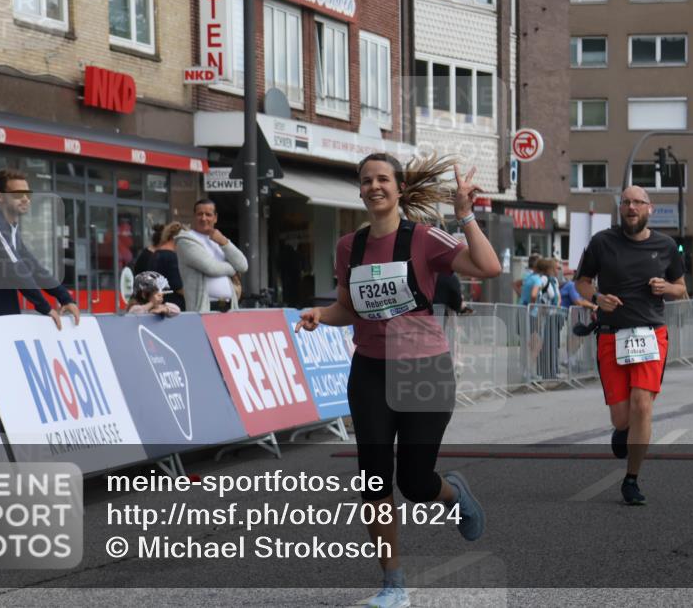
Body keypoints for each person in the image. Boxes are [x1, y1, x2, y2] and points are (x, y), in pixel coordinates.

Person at [294, 152, 501, 608]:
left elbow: (488, 268)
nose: (373, 187)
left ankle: (452, 493)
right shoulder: (350, 246)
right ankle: (393, 586)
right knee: (373, 480)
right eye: (366, 181)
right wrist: (319, 315)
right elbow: (346, 308)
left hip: (422, 368)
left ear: (399, 188)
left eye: (382, 179)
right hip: (368, 368)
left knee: (415, 481)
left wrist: (465, 215)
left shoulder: (424, 239)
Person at [575, 186, 687, 506]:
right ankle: (623, 431)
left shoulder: (666, 246)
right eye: (626, 202)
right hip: (612, 334)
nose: (631, 207)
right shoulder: (601, 242)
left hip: (651, 335)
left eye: (638, 202)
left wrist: (667, 287)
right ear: (620, 208)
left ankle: (631, 480)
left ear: (649, 208)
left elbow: (681, 288)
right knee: (621, 418)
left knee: (642, 405)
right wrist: (597, 298)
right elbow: (582, 281)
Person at [0, 169, 80, 330]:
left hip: (5, 320)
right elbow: (15, 269)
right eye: (18, 194)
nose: (25, 199)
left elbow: (33, 266)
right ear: (0, 196)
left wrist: (65, 298)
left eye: (28, 194)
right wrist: (45, 307)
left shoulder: (11, 226)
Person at [175, 199, 248, 313]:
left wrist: (224, 242)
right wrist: (233, 270)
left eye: (208, 214)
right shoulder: (186, 240)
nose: (204, 218)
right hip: (204, 309)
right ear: (194, 216)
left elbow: (243, 265)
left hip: (229, 307)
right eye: (200, 214)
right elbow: (211, 268)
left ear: (215, 218)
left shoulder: (219, 239)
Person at [150, 222, 185, 310]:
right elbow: (178, 286)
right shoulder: (172, 257)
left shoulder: (155, 254)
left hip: (157, 303)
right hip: (173, 307)